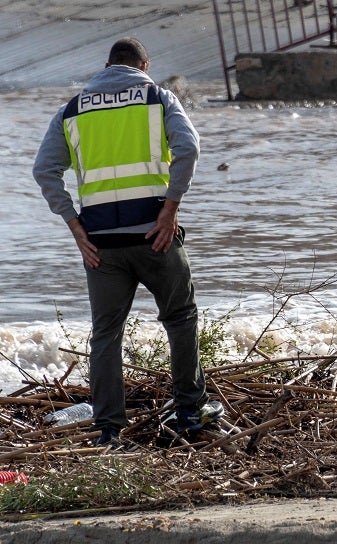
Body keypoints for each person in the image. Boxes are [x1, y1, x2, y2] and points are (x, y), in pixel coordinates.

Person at [33, 37, 221, 447]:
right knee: (181, 317)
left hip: (100, 243)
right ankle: (190, 412)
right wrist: (170, 210)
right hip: (154, 234)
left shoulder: (73, 109)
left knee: (105, 334)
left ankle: (109, 430)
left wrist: (73, 225)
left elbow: (44, 170)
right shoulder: (158, 97)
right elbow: (188, 148)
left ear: (106, 65)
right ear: (144, 65)